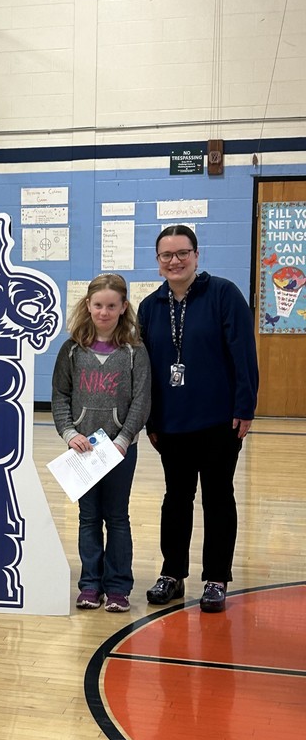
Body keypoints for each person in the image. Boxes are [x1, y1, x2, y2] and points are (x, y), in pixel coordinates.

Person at [138, 224, 259, 613]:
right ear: (157, 262)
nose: (174, 261)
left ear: (196, 255)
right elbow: (146, 370)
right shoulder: (150, 306)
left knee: (218, 498)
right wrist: (151, 420)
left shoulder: (223, 293)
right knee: (176, 500)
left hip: (219, 422)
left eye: (181, 253)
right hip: (171, 424)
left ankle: (216, 578)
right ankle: (172, 574)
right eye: (166, 255)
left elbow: (243, 353)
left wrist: (245, 407)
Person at [52, 274, 151, 612]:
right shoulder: (71, 350)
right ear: (88, 306)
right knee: (88, 517)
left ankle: (119, 588)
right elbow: (60, 397)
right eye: (98, 305)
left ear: (124, 307)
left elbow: (141, 400)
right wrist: (69, 433)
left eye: (112, 305)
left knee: (117, 517)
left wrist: (124, 439)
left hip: (120, 449)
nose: (104, 312)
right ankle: (90, 585)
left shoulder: (135, 351)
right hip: (83, 449)